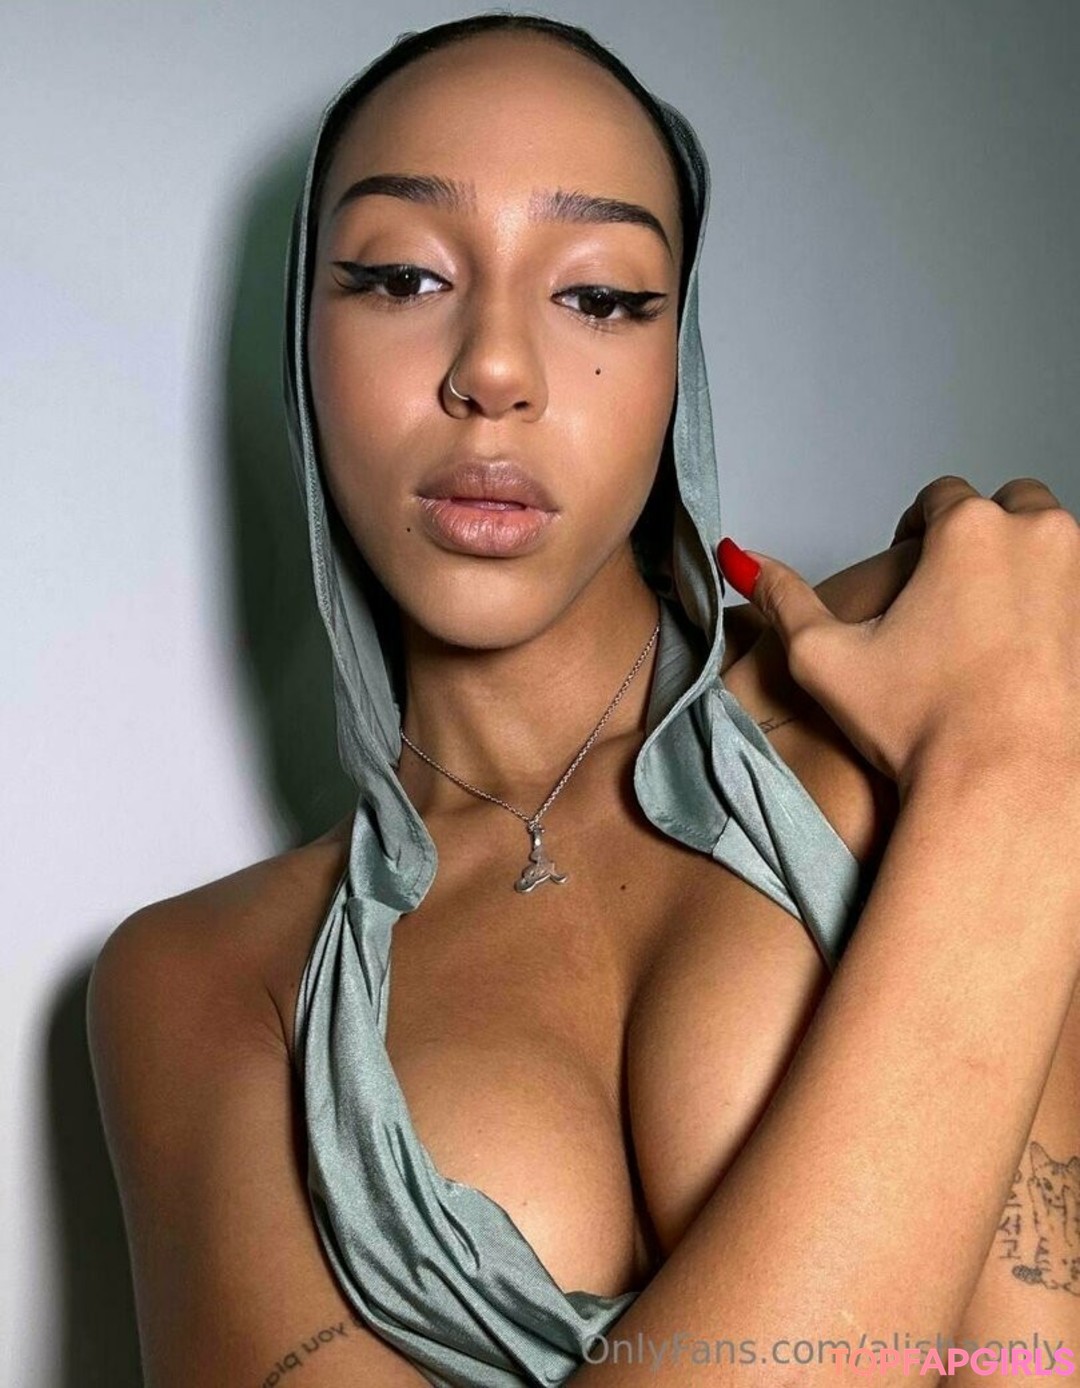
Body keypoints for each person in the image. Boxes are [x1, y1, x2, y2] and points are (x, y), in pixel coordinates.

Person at [86, 13, 1080, 1388]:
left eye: (602, 297)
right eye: (401, 277)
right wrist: (1013, 784)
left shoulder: (950, 648)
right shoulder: (209, 982)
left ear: (680, 364)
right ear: (304, 346)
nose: (493, 370)